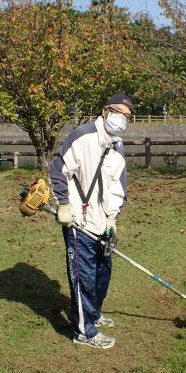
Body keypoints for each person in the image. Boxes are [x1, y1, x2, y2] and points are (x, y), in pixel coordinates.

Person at [49, 93, 134, 349]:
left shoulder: (117, 145)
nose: (121, 118)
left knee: (102, 273)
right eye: (118, 111)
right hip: (78, 220)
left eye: (127, 116)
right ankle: (84, 331)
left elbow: (117, 186)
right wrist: (63, 205)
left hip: (101, 222)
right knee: (83, 276)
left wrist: (112, 218)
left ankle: (94, 314)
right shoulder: (83, 135)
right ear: (105, 111)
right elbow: (58, 171)